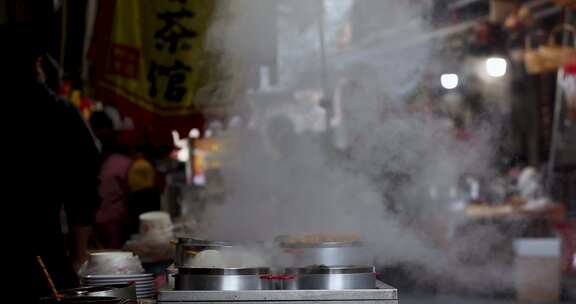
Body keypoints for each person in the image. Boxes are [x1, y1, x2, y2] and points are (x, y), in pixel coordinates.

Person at [1, 23, 101, 302]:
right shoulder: (59, 112)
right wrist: (79, 253)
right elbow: (83, 186)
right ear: (37, 63)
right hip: (43, 253)